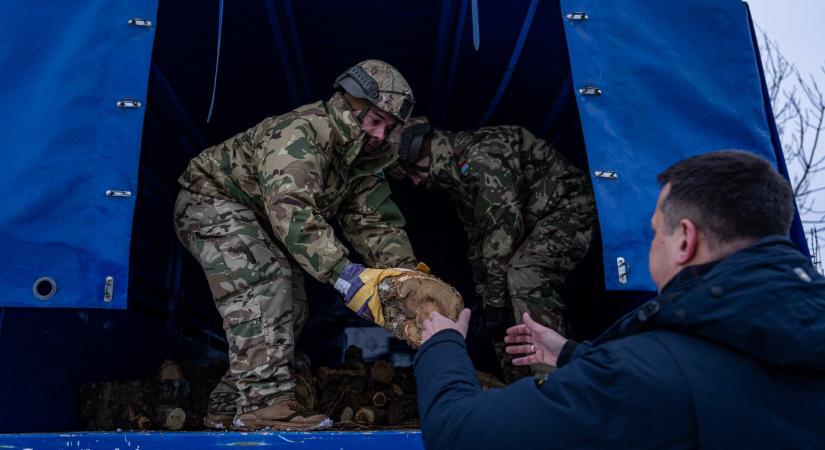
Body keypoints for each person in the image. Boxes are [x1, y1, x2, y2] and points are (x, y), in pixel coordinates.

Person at [414, 150, 825, 449]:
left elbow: (458, 434)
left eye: (654, 233)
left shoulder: (643, 380)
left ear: (685, 239)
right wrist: (574, 355)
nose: (651, 248)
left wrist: (442, 347)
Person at [174, 60, 422, 431]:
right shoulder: (300, 133)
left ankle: (229, 402)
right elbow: (292, 213)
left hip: (259, 220)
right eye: (375, 121)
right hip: (208, 201)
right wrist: (345, 275)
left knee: (293, 301)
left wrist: (408, 275)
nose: (381, 136)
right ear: (350, 105)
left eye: (389, 127)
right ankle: (263, 405)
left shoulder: (361, 164)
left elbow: (376, 225)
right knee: (265, 278)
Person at [386, 117, 594, 374]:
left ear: (427, 149)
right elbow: (479, 244)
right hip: (530, 223)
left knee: (525, 272)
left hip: (570, 207)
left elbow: (503, 233)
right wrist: (486, 299)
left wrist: (495, 302)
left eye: (416, 169)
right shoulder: (459, 180)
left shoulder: (479, 158)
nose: (416, 181)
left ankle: (549, 380)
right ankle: (516, 382)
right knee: (495, 295)